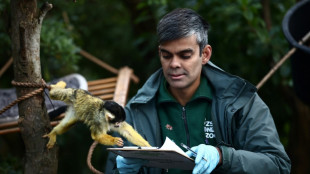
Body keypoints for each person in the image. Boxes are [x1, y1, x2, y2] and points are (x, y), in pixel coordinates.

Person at [105, 8, 291, 174]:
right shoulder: (135, 112)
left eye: (185, 55)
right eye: (166, 55)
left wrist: (222, 156)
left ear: (205, 54)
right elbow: (112, 168)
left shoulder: (240, 101)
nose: (174, 64)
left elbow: (278, 165)